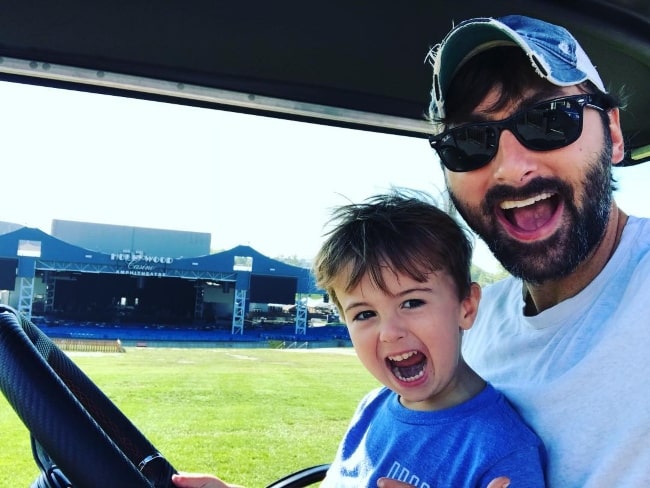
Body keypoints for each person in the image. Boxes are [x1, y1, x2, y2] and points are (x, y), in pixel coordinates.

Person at [383, 14, 650, 488]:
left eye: (549, 120)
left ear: (611, 134)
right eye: (469, 141)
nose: (510, 168)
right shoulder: (468, 322)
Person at [172, 191, 546, 487]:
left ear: (466, 306)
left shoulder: (502, 452)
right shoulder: (374, 407)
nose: (389, 332)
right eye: (365, 314)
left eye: (412, 302)